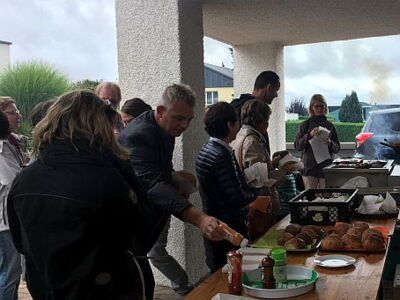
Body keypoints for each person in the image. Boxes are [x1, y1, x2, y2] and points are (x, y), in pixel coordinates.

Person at [7, 91, 158, 299]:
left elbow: (20, 243)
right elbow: (141, 232)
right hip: (102, 289)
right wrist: (122, 166)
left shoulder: (24, 178)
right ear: (98, 126)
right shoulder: (106, 177)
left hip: (46, 288)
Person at [118, 84, 224, 297]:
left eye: (189, 119)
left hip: (149, 214)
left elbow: (160, 170)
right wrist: (200, 219)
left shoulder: (164, 127)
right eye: (178, 118)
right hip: (126, 222)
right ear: (159, 111)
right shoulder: (138, 135)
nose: (184, 125)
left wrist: (175, 180)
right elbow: (153, 186)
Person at [196, 102, 257, 272]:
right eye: (237, 122)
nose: (239, 126)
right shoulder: (222, 154)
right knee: (232, 272)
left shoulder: (206, 149)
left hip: (213, 221)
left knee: (217, 270)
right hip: (229, 227)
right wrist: (256, 189)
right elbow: (237, 199)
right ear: (230, 124)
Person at [231, 99, 288, 241]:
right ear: (263, 122)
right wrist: (284, 169)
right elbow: (262, 181)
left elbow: (255, 169)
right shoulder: (252, 141)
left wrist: (272, 163)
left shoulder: (240, 135)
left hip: (250, 203)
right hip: (260, 206)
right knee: (263, 245)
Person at [294, 94, 340, 189]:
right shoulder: (305, 125)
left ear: (325, 107)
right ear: (312, 108)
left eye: (321, 106)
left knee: (327, 198)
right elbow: (297, 146)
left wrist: (330, 143)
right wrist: (309, 135)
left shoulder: (330, 125)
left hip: (326, 167)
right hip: (310, 167)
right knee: (310, 198)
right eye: (316, 106)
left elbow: (337, 148)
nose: (319, 109)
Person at [0, 110, 22, 300]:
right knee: (9, 275)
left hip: (5, 221)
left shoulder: (10, 144)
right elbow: (11, 180)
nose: (17, 116)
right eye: (12, 113)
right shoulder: (1, 149)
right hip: (5, 223)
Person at [230, 71, 280, 154]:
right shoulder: (253, 111)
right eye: (276, 90)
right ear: (269, 88)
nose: (276, 95)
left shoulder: (236, 107)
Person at [0, 97, 29, 164]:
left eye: (17, 112)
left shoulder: (19, 139)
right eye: (13, 113)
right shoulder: (2, 148)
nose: (19, 116)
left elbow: (30, 140)